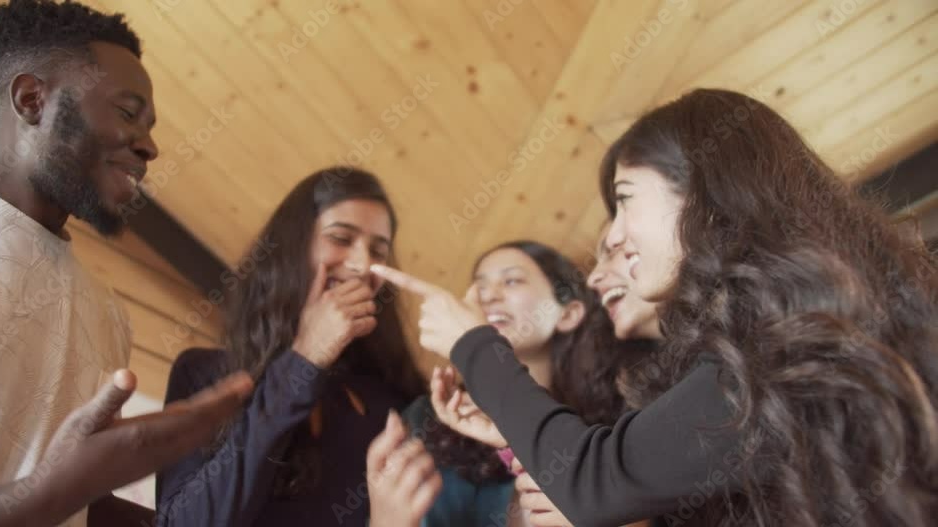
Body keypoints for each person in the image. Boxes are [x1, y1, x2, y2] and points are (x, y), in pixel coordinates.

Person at [372, 88, 938, 526]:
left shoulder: (777, 344)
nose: (613, 240)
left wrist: (474, 345)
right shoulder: (767, 333)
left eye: (623, 203)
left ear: (702, 190)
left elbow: (597, 478)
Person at [0, 1, 252, 525]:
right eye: (129, 113)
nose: (150, 146)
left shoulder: (106, 312)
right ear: (32, 99)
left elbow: (80, 503)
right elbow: (54, 493)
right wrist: (46, 493)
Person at [155, 167, 440, 527]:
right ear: (292, 245)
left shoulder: (393, 405)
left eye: (378, 251)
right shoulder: (203, 373)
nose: (363, 264)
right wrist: (305, 358)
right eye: (341, 238)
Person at [402, 240, 625, 527]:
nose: (489, 296)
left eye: (511, 281)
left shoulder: (611, 431)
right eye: (479, 286)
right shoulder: (428, 421)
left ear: (568, 314)